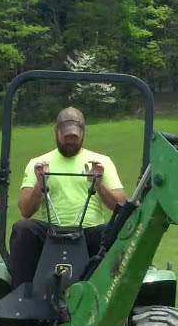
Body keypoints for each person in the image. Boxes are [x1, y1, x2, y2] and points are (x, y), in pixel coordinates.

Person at [11, 106, 126, 289]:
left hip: (89, 234)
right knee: (23, 228)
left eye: (75, 137)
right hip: (50, 234)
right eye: (66, 137)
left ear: (83, 133)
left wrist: (99, 184)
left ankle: (111, 294)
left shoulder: (102, 162)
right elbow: (25, 210)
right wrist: (40, 182)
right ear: (56, 131)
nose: (70, 142)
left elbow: (120, 205)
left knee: (116, 232)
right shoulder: (38, 164)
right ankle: (23, 293)